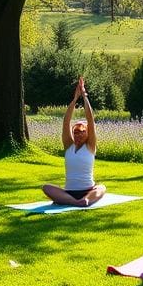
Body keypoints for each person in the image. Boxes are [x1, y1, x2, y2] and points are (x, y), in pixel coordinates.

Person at [42, 77, 106, 207]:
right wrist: (75, 99)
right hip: (69, 192)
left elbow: (90, 120)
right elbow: (66, 121)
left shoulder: (90, 146)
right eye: (76, 132)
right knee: (46, 188)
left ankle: (85, 199)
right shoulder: (69, 146)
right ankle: (76, 202)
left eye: (82, 132)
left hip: (88, 190)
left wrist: (84, 96)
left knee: (101, 188)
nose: (78, 135)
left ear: (87, 133)